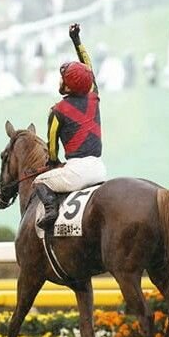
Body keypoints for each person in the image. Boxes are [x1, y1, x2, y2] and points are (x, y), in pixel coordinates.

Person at [33, 23, 106, 230]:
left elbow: (53, 151)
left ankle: (50, 211)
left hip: (76, 172)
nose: (59, 80)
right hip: (99, 169)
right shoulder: (94, 96)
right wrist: (77, 40)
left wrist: (53, 162)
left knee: (39, 182)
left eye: (62, 78)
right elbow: (88, 69)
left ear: (68, 86)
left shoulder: (57, 110)